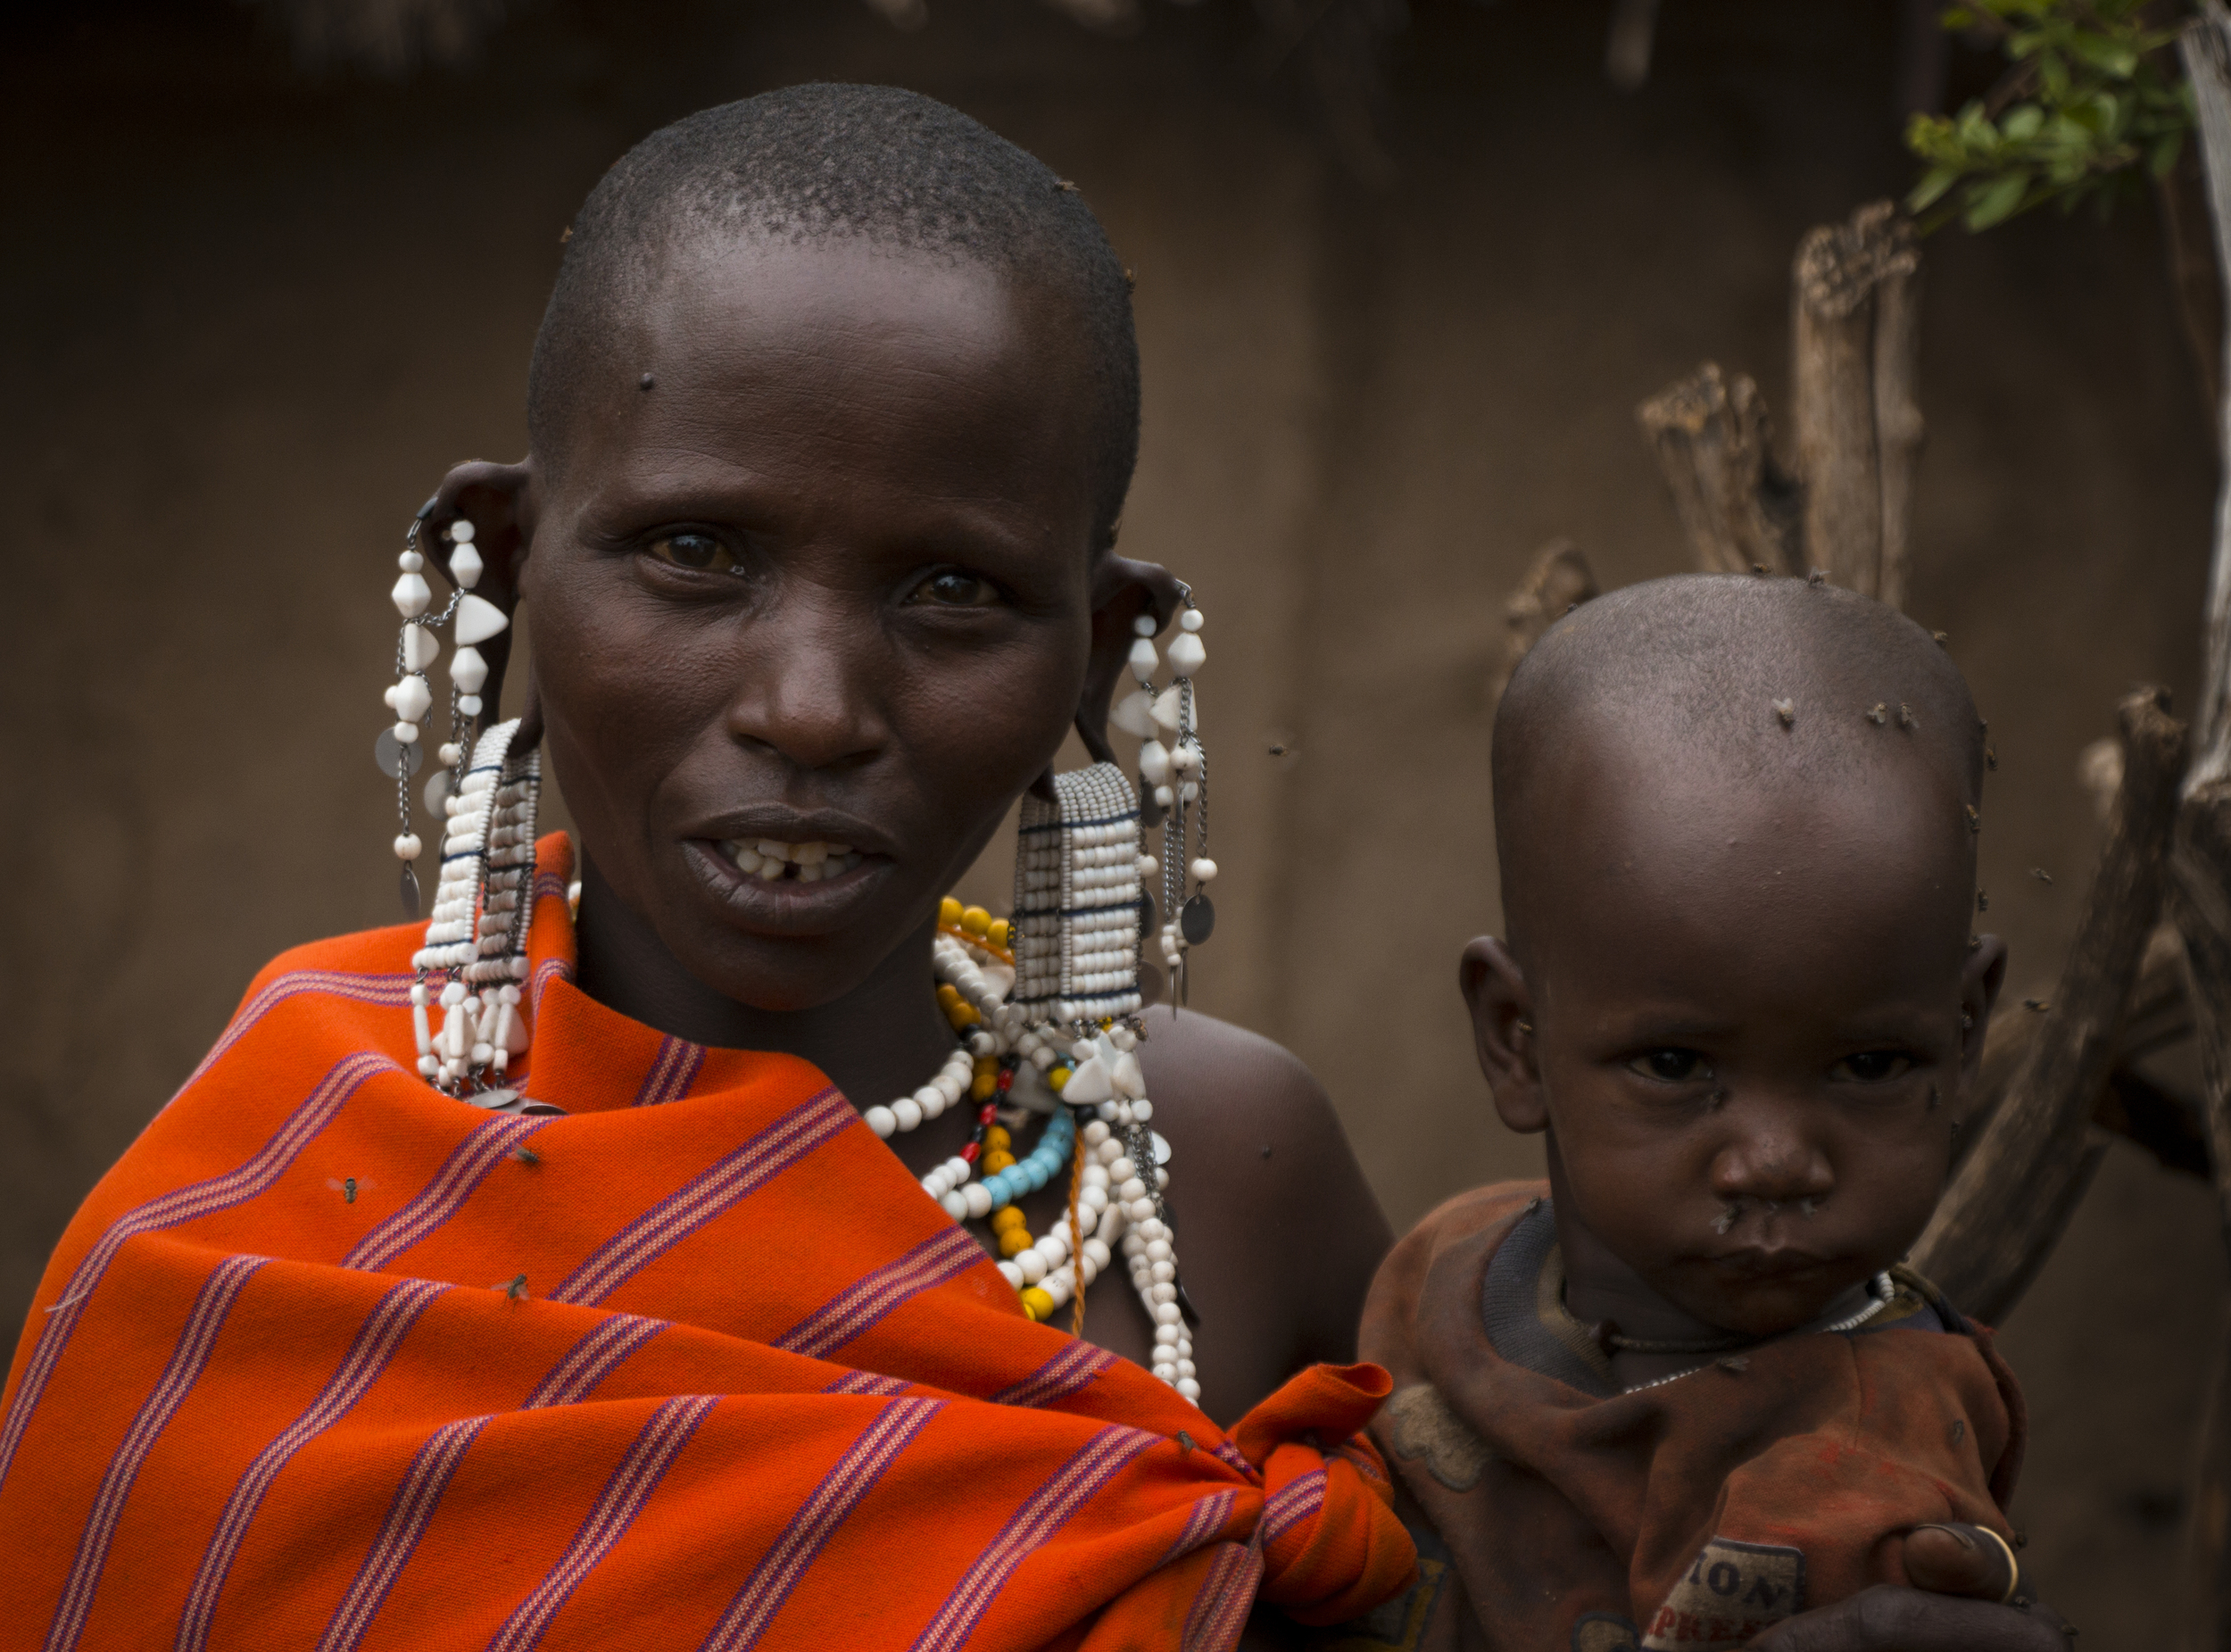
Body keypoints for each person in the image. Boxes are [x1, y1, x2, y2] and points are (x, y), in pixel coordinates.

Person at [0, 85, 2071, 1652]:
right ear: (500, 566)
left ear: (1094, 661)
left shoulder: (1220, 1165)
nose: (813, 698)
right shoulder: (277, 1205)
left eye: (952, 591)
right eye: (695, 552)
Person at [1356, 575, 2078, 1652]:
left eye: (1870, 1063)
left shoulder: (1868, 1471)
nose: (1775, 1161)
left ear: (1964, 1032)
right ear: (1516, 1039)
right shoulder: (1440, 1266)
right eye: (1674, 1062)